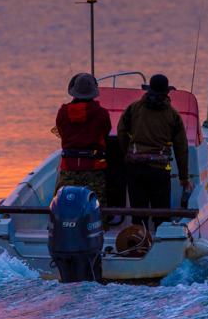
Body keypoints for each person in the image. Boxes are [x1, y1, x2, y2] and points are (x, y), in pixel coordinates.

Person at [117, 74, 192, 229]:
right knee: (161, 214)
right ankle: (160, 246)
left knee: (138, 213)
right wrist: (184, 177)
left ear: (149, 90)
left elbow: (121, 131)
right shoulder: (173, 114)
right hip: (159, 171)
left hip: (135, 168)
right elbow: (181, 148)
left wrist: (129, 153)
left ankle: (138, 244)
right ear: (167, 92)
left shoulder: (133, 108)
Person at [54, 73, 112, 201]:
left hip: (69, 166)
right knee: (97, 205)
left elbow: (61, 132)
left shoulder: (62, 112)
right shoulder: (102, 113)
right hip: (94, 167)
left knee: (66, 204)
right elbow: (105, 133)